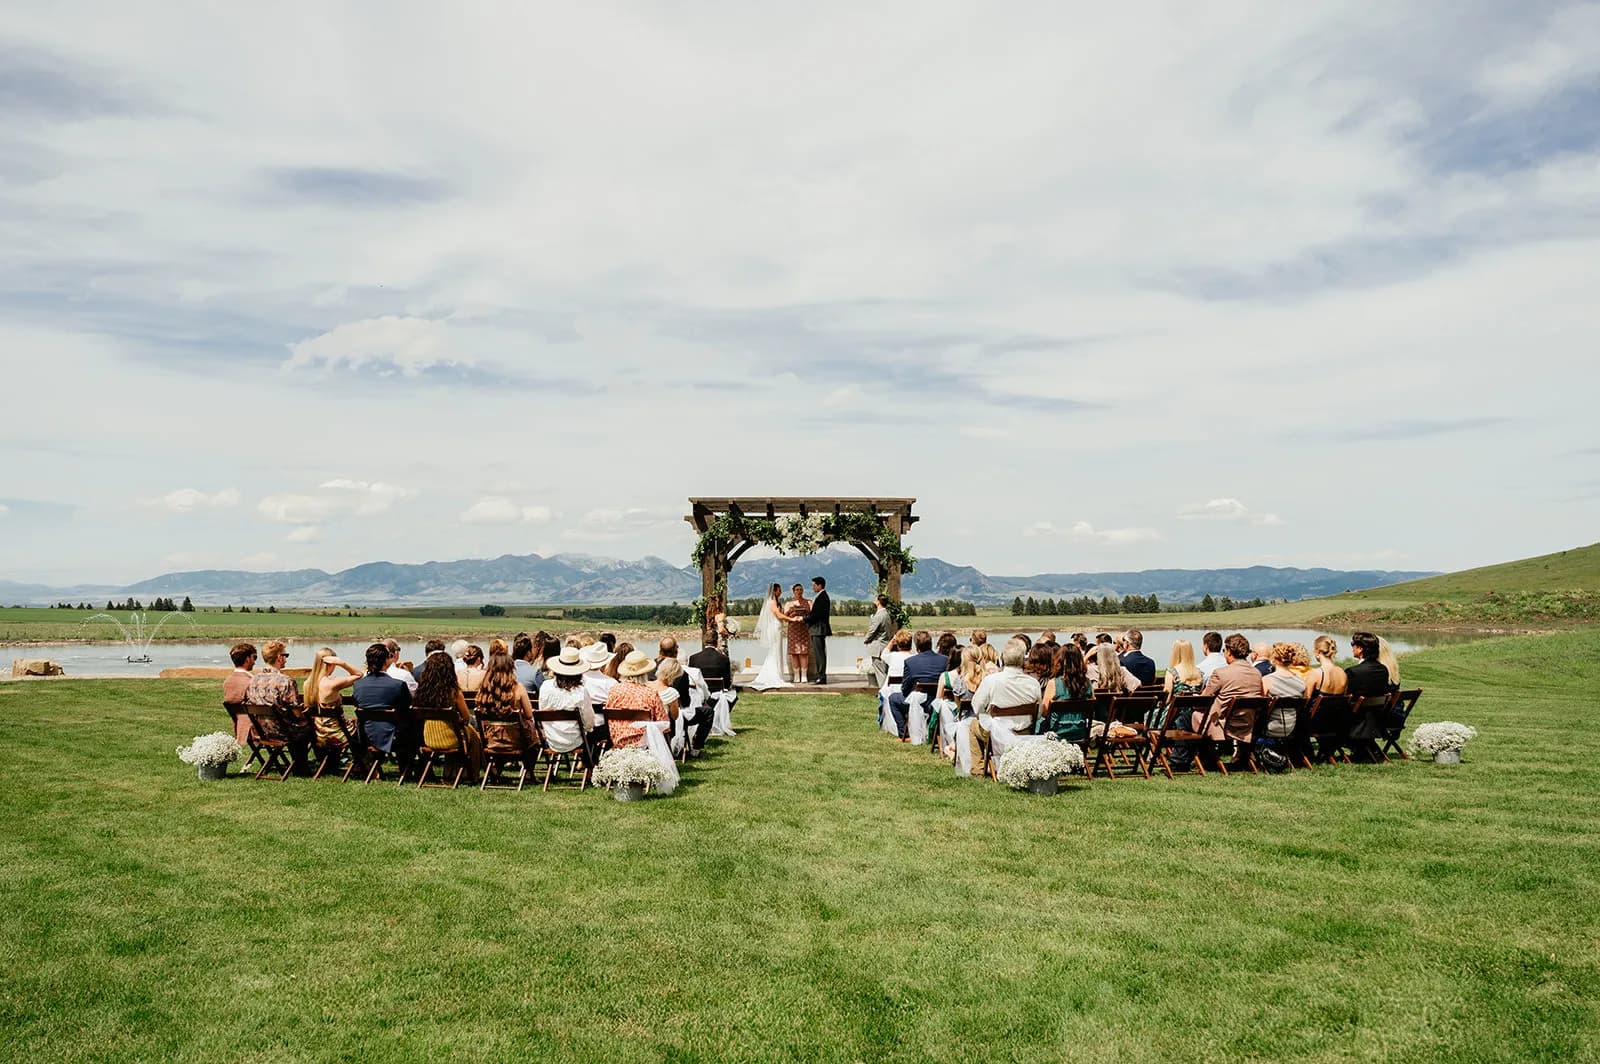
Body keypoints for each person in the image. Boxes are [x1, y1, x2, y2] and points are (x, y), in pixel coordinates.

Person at [969, 640, 1043, 767]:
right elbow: (1039, 714)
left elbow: (977, 708)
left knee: (973, 726)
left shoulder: (991, 680)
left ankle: (979, 768)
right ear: (1022, 660)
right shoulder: (1033, 683)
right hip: (1024, 732)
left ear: (1002, 658)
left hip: (996, 734)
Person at [414, 652, 484, 778]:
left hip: (428, 738)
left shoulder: (422, 693)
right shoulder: (454, 692)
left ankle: (454, 771)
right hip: (452, 738)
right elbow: (466, 717)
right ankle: (474, 772)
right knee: (474, 736)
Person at [245, 638, 312, 765]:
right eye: (285, 655)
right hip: (283, 732)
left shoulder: (253, 680)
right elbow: (296, 712)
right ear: (279, 657)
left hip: (261, 731)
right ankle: (302, 764)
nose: (286, 659)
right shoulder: (286, 681)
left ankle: (298, 763)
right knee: (309, 726)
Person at [354, 641, 416, 762]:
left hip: (366, 736)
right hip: (394, 737)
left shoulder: (358, 685)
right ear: (387, 661)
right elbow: (408, 709)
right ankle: (408, 766)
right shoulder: (398, 685)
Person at [1195, 633, 1261, 746]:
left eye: (1224, 650)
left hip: (1223, 725)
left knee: (1191, 716)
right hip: (1247, 724)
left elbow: (1203, 700)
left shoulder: (1221, 673)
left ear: (1229, 651)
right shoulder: (1257, 673)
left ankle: (1188, 758)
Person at [887, 631, 946, 741]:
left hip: (919, 701)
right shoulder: (944, 660)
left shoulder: (910, 662)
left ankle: (904, 733)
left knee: (893, 699)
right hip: (938, 700)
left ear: (917, 646)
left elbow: (905, 689)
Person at [537, 646, 596, 755]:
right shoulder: (581, 692)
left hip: (552, 740)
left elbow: (542, 711)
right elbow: (589, 723)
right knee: (594, 734)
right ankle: (588, 763)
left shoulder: (545, 687)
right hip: (575, 741)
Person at [605, 650, 667, 748]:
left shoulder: (614, 691)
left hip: (618, 740)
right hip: (644, 741)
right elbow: (664, 723)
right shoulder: (650, 693)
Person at [304, 646, 362, 746]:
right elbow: (359, 675)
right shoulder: (332, 684)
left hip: (318, 734)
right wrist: (342, 663)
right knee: (361, 725)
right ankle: (364, 758)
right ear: (331, 664)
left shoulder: (307, 684)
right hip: (338, 734)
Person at [1038, 642, 1093, 742]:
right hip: (1080, 733)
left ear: (1059, 661)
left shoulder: (1053, 683)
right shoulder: (1087, 683)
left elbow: (1044, 712)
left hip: (1057, 734)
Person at [686, 636, 732, 753]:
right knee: (733, 697)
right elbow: (727, 681)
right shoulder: (723, 658)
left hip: (700, 693)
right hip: (717, 692)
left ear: (704, 641)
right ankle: (719, 721)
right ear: (716, 642)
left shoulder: (693, 658)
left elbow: (691, 678)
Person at [751, 583, 791, 691]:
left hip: (777, 627)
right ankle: (774, 675)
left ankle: (778, 673)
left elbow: (780, 614)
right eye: (779, 590)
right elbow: (778, 615)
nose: (781, 592)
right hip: (774, 628)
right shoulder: (772, 601)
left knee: (777, 651)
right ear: (774, 591)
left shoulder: (775, 601)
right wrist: (792, 619)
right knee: (775, 651)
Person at [224, 641, 257, 745]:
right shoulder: (252, 681)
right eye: (254, 657)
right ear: (247, 659)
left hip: (240, 728)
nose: (255, 662)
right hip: (256, 729)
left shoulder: (227, 681)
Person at [782, 583, 812, 682]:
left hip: (804, 629)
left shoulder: (809, 602)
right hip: (793, 629)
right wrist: (791, 612)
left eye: (800, 589)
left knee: (804, 652)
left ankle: (804, 675)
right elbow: (785, 618)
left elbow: (812, 616)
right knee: (794, 653)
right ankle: (796, 675)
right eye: (797, 590)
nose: (799, 591)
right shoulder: (788, 604)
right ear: (793, 591)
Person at [1346, 632, 1391, 697]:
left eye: (1352, 644)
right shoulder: (1383, 669)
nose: (1352, 648)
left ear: (1360, 649)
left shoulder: (1352, 672)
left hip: (1358, 706)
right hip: (1378, 706)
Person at [654, 637, 692, 711]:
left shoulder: (650, 668)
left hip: (652, 710)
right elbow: (686, 702)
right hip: (673, 713)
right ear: (676, 652)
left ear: (660, 651)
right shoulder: (681, 673)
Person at [863, 594, 892, 689]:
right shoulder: (886, 614)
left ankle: (883, 694)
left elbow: (872, 630)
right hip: (885, 646)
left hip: (878, 649)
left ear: (878, 601)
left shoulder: (879, 615)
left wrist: (866, 640)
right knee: (884, 671)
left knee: (880, 673)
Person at [808, 576, 832, 684]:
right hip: (818, 628)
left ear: (819, 585)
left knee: (819, 654)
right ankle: (820, 676)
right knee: (819, 653)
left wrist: (802, 618)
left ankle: (821, 677)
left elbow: (816, 615)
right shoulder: (821, 596)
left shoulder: (822, 597)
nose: (812, 587)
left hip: (818, 628)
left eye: (814, 585)